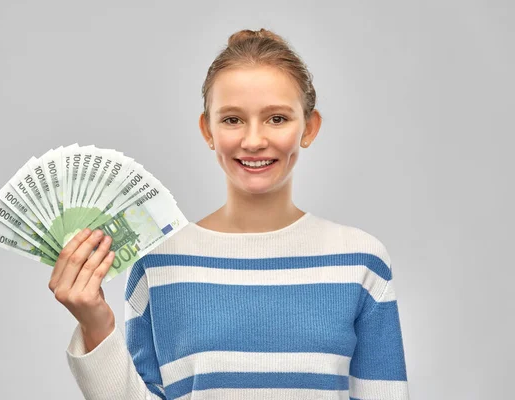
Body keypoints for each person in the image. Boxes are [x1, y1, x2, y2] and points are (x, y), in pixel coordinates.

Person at [49, 28, 410, 399]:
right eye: (232, 119)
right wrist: (96, 326)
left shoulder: (359, 261)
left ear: (309, 127)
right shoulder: (160, 263)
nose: (253, 140)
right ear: (208, 130)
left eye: (277, 119)